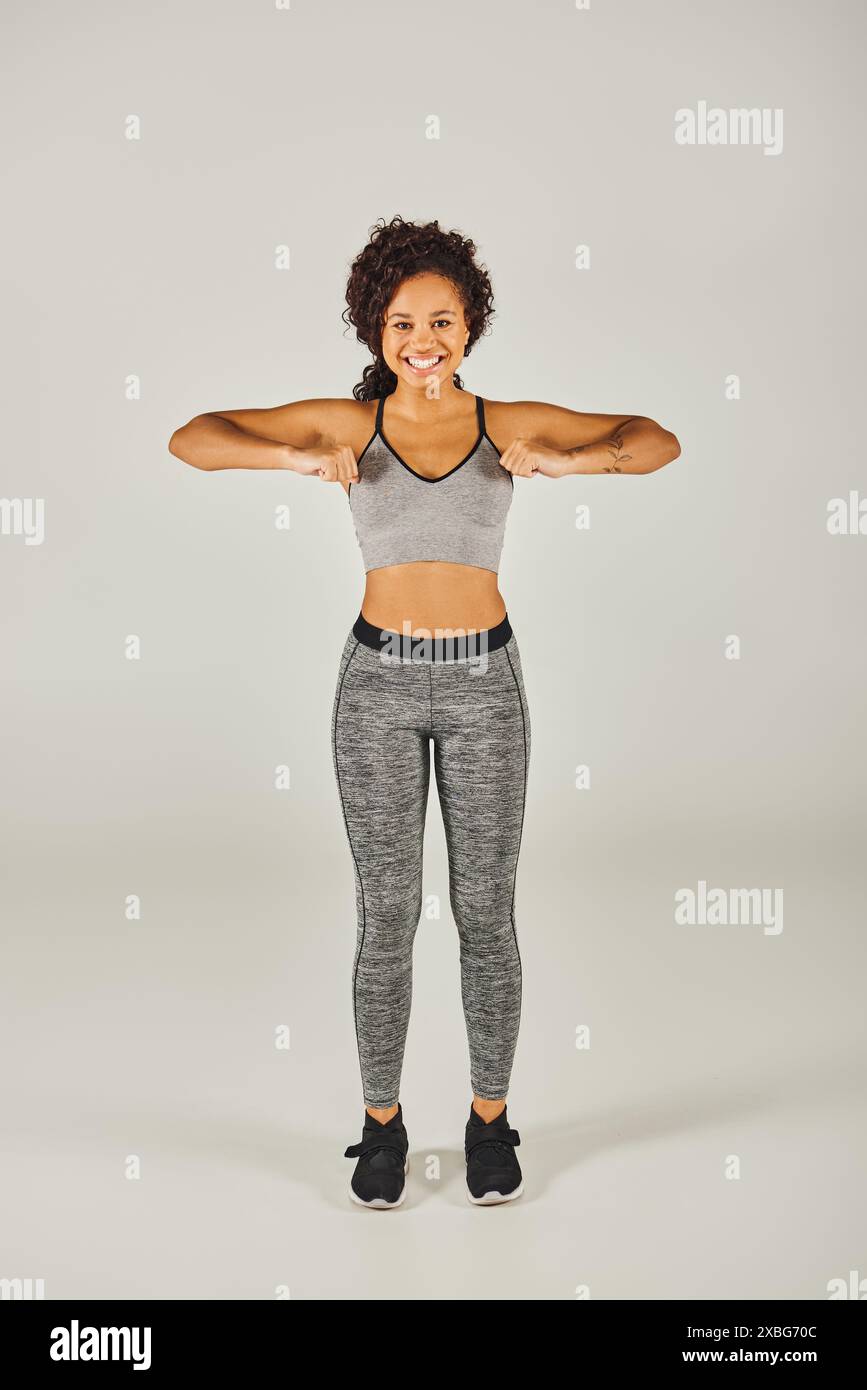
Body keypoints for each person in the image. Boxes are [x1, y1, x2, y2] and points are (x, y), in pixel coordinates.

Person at [169, 214, 681, 1210]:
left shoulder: (508, 422)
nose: (424, 341)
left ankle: (490, 1122)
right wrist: (297, 463)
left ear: (469, 325)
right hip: (379, 687)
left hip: (488, 684)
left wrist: (572, 466)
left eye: (442, 320)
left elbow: (655, 439)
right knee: (388, 915)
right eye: (404, 322)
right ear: (375, 328)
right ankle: (382, 1126)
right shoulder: (350, 426)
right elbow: (193, 437)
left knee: (487, 914)